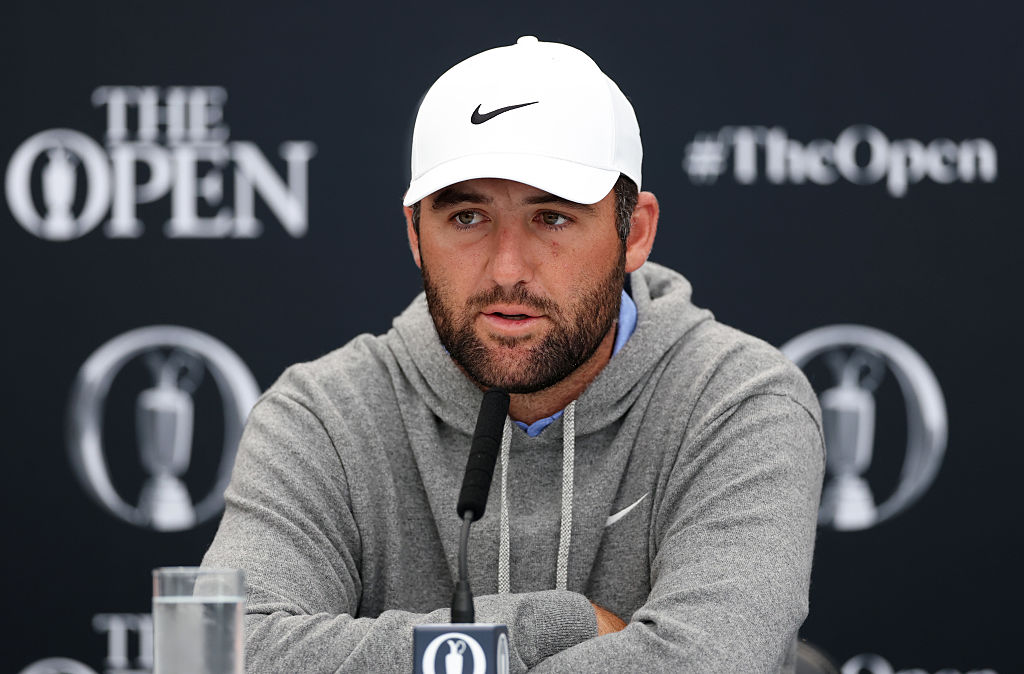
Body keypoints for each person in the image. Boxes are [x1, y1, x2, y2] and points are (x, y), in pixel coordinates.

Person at [202, 36, 824, 673]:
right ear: (415, 234)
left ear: (634, 233)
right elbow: (222, 652)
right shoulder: (323, 414)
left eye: (551, 217)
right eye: (467, 217)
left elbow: (709, 663)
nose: (506, 269)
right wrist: (552, 628)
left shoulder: (737, 401)